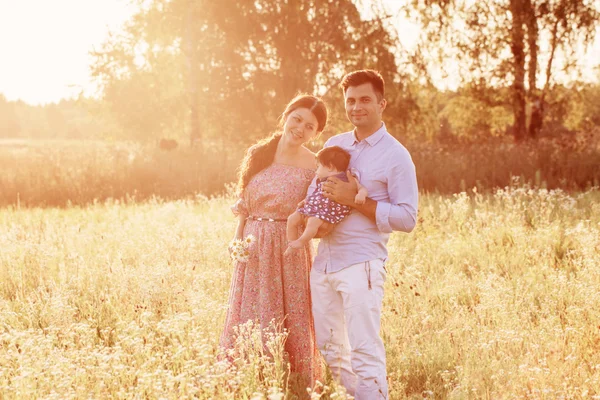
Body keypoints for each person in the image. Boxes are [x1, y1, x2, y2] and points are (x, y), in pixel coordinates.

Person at [310, 70, 418, 399]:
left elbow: (408, 217)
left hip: (362, 264)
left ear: (382, 104)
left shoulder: (396, 155)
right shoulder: (334, 144)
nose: (357, 107)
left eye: (365, 100)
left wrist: (357, 203)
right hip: (324, 262)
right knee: (331, 352)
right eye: (351, 100)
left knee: (364, 352)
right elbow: (317, 189)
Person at [221, 94, 327, 390]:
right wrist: (236, 239)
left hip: (289, 246)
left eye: (310, 126)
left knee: (288, 310)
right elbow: (244, 203)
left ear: (316, 134)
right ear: (286, 115)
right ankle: (248, 375)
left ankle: (291, 380)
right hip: (253, 245)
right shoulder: (259, 153)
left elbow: (316, 210)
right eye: (297, 119)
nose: (300, 128)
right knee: (250, 310)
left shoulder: (315, 165)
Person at [285, 146, 367, 257]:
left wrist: (361, 195)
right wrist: (307, 201)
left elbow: (362, 188)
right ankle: (291, 243)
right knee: (292, 219)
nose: (316, 170)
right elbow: (317, 194)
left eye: (318, 167)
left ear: (330, 167)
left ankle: (301, 241)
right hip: (312, 207)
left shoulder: (347, 178)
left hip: (327, 211)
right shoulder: (322, 180)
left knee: (313, 222)